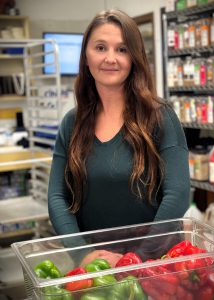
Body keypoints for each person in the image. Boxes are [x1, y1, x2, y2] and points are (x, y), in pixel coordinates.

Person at [48, 8, 190, 267]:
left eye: (122, 49)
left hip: (157, 268)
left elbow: (178, 195)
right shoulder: (72, 122)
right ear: (86, 56)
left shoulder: (160, 117)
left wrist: (136, 261)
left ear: (134, 57)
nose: (110, 58)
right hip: (97, 270)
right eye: (100, 47)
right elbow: (57, 196)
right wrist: (82, 254)